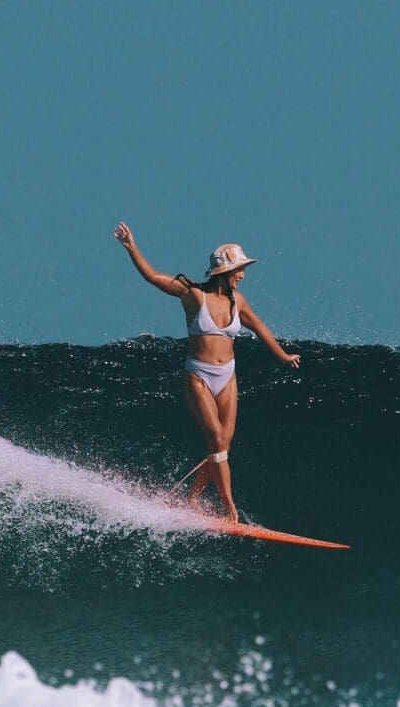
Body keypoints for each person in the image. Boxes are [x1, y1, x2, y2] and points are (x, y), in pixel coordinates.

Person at [113, 221, 300, 522]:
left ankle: (192, 500)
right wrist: (131, 247)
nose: (243, 275)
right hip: (198, 375)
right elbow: (152, 277)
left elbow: (259, 327)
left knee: (221, 446)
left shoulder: (237, 301)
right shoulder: (193, 295)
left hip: (228, 376)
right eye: (239, 269)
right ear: (224, 272)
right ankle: (229, 508)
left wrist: (282, 356)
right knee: (215, 438)